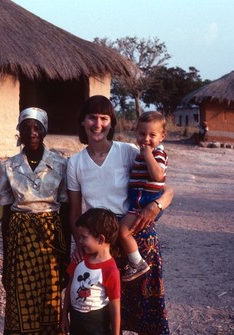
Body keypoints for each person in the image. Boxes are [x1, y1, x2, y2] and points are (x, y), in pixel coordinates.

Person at [67, 95, 173, 335]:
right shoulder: (75, 163)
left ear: (111, 122)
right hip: (99, 245)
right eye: (92, 117)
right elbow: (74, 212)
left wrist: (157, 205)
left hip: (136, 237)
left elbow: (165, 187)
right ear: (83, 122)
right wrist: (81, 244)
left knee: (147, 306)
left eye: (104, 118)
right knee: (104, 312)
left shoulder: (127, 151)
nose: (97, 124)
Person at [0, 107, 69, 334]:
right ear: (19, 131)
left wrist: (66, 254)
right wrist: (6, 260)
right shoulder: (7, 166)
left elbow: (65, 210)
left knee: (51, 293)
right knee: (20, 292)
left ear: (44, 130)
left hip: (50, 236)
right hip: (20, 237)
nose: (32, 132)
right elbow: (6, 213)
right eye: (26, 127)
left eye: (37, 127)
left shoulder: (60, 164)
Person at [119, 111, 168, 282]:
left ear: (162, 136)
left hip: (145, 201)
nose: (146, 139)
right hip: (140, 199)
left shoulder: (157, 154)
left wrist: (148, 155)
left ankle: (137, 263)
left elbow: (158, 176)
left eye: (152, 135)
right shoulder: (140, 153)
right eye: (142, 134)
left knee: (123, 230)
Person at [61, 208, 120, 335]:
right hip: (76, 320)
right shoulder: (79, 259)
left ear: (100, 239)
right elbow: (69, 286)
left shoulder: (110, 270)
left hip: (97, 323)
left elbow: (115, 307)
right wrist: (64, 315)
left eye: (83, 237)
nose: (80, 241)